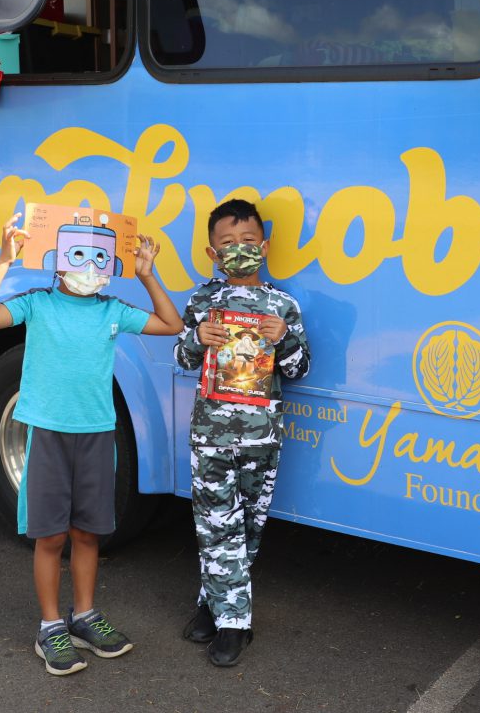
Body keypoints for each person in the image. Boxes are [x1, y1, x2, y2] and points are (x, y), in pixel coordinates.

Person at [0, 213, 184, 676]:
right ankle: (50, 628)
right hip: (47, 434)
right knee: (51, 536)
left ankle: (84, 616)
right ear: (57, 262)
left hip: (98, 435)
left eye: (99, 259)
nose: (88, 267)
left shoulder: (111, 310)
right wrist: (4, 260)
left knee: (88, 532)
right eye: (77, 256)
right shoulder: (37, 304)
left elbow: (171, 323)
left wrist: (147, 275)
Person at [174, 199, 311, 667]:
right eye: (227, 244)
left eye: (248, 242)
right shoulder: (201, 301)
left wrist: (283, 338)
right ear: (213, 253)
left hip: (261, 437)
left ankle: (211, 605)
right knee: (216, 525)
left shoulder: (282, 305)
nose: (239, 251)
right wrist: (197, 339)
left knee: (246, 530)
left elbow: (298, 368)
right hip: (210, 433)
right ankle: (236, 625)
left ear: (264, 247)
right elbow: (182, 360)